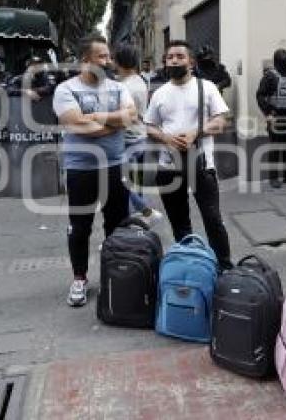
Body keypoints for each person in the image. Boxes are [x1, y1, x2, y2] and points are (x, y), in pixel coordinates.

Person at [52, 35, 136, 306]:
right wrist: (113, 123)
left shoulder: (117, 87)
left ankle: (114, 275)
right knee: (80, 227)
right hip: (81, 168)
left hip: (113, 165)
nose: (108, 61)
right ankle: (79, 278)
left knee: (117, 224)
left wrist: (98, 118)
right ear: (85, 60)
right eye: (102, 57)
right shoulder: (66, 89)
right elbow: (78, 125)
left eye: (108, 56)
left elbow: (131, 117)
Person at [144, 40, 232, 270]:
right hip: (168, 166)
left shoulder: (207, 87)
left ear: (191, 62)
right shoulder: (159, 93)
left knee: (213, 220)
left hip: (202, 165)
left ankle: (224, 267)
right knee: (179, 221)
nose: (174, 60)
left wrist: (196, 133)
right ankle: (192, 265)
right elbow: (149, 126)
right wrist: (165, 138)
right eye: (170, 56)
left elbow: (221, 121)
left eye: (180, 56)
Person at [114, 44, 164, 225]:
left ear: (120, 61)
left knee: (124, 183)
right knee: (136, 183)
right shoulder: (140, 81)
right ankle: (138, 224)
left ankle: (145, 211)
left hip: (128, 139)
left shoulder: (124, 87)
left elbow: (122, 116)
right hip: (140, 138)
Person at [256, 49, 286, 188]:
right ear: (278, 61)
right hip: (276, 115)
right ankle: (273, 178)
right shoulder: (270, 77)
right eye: (284, 59)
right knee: (276, 147)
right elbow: (260, 96)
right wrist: (268, 113)